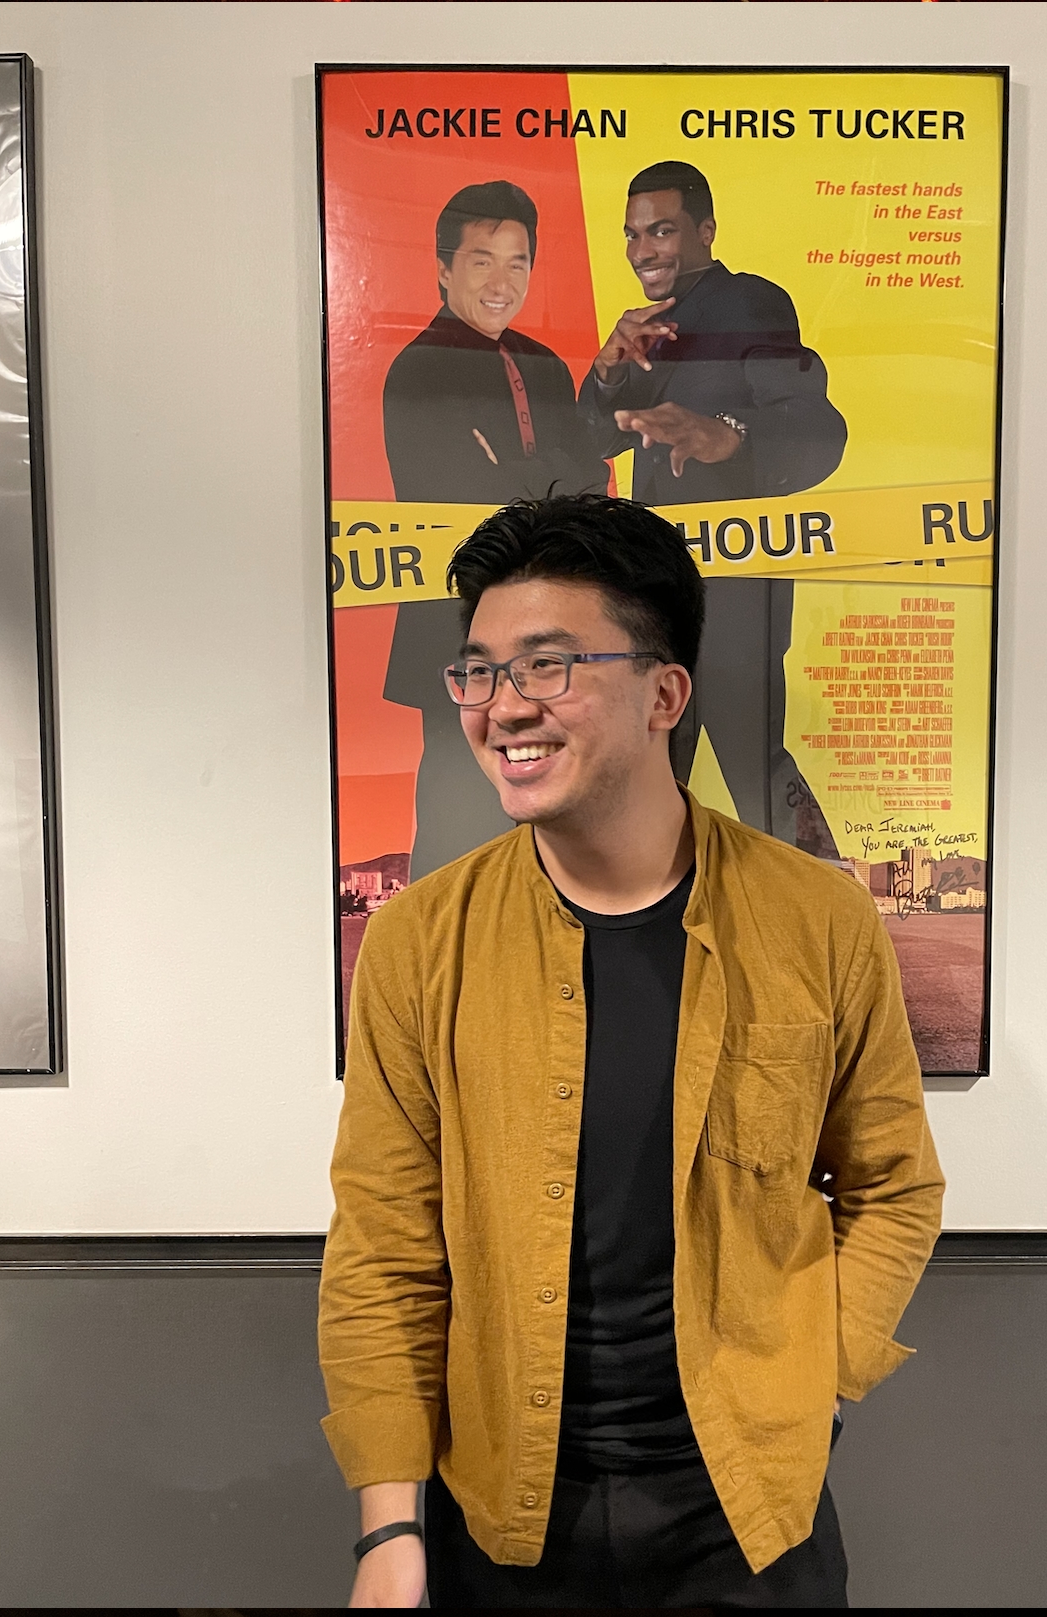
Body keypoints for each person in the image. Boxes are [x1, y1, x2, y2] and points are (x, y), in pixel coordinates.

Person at [319, 494, 944, 1610]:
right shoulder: (420, 940)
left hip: (750, 1511)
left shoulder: (818, 920)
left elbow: (894, 1186)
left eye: (547, 665)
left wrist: (817, 1377)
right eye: (479, 672)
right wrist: (390, 1526)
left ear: (665, 695)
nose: (504, 706)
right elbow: (384, 1244)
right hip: (500, 1512)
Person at [578, 160, 848, 848]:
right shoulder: (649, 325)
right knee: (650, 773)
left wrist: (731, 436)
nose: (643, 250)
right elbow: (595, 439)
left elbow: (817, 428)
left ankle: (826, 899)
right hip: (653, 597)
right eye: (633, 234)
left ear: (705, 232)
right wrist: (608, 369)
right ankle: (658, 906)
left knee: (756, 771)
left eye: (662, 231)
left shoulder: (749, 303)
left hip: (734, 598)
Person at [381, 180, 609, 881]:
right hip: (456, 625)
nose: (502, 282)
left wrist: (522, 475)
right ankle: (434, 943)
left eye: (518, 262)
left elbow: (593, 479)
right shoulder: (418, 372)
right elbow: (466, 497)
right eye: (482, 261)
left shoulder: (544, 364)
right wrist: (553, 475)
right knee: (457, 816)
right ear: (443, 269)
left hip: (554, 627)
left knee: (551, 807)